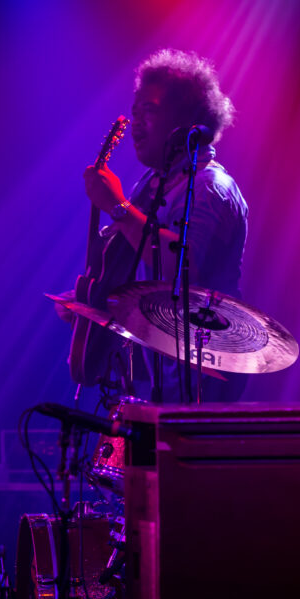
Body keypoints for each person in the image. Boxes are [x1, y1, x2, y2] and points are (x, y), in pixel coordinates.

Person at [74, 48, 249, 402]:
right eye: (135, 111)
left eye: (149, 111)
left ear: (184, 121)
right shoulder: (154, 182)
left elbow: (181, 266)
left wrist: (118, 206)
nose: (136, 122)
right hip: (160, 369)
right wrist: (83, 299)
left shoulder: (210, 187)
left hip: (203, 371)